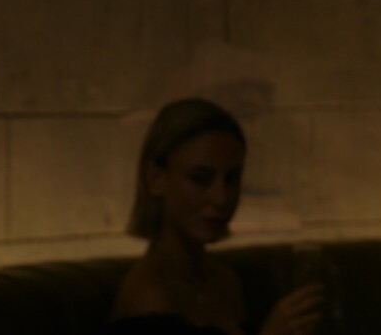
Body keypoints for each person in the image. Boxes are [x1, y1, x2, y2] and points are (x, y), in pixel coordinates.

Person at [105, 98, 324, 335]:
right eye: (200, 178)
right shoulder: (148, 294)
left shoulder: (224, 280)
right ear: (156, 179)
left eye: (231, 179)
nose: (221, 198)